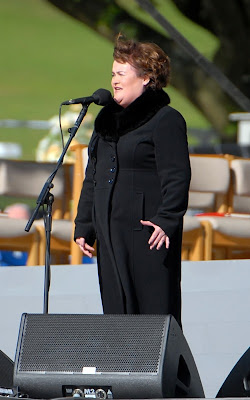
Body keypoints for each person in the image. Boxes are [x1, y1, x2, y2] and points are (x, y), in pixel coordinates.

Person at [74, 36, 191, 326]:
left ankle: (163, 372)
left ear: (146, 78)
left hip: (147, 233)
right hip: (110, 231)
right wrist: (85, 224)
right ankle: (122, 369)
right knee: (117, 315)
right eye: (113, 73)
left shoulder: (165, 120)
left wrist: (167, 219)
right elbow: (93, 176)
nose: (114, 80)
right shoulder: (105, 122)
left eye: (121, 74)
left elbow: (177, 176)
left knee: (152, 315)